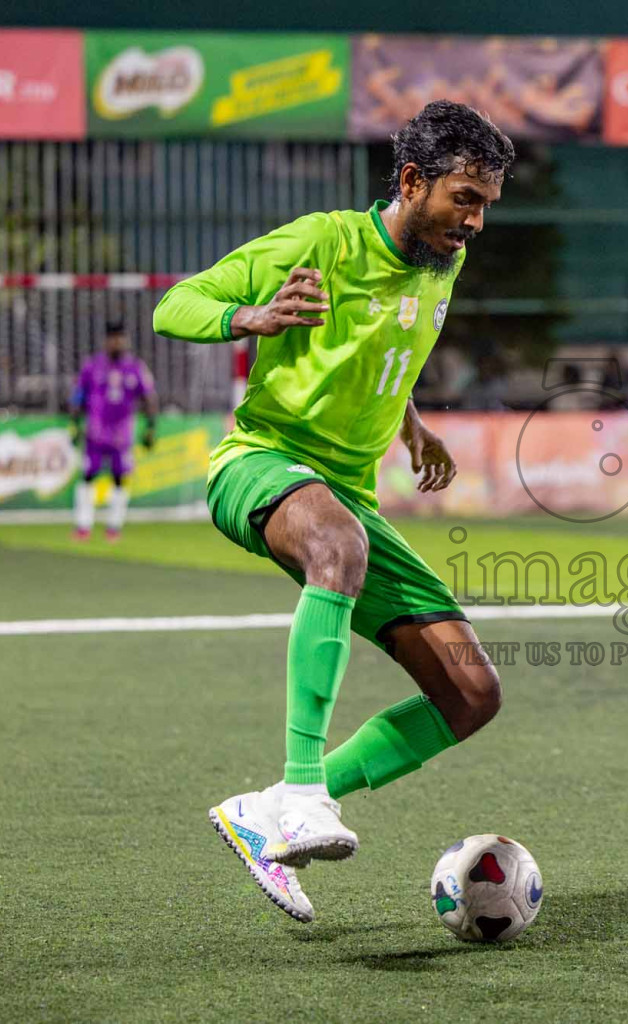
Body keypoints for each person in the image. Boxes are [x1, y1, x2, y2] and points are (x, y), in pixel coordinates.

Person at [151, 101, 514, 924]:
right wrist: (250, 317)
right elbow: (175, 304)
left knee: (471, 694)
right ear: (413, 182)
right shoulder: (321, 241)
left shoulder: (439, 260)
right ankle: (308, 792)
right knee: (339, 549)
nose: (476, 221)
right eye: (464, 197)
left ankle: (269, 806)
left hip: (348, 497)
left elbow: (384, 344)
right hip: (258, 463)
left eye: (487, 203)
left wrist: (413, 424)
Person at [70, 321, 157, 541]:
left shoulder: (135, 367)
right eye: (113, 338)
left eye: (121, 337)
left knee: (120, 478)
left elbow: (149, 398)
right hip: (95, 433)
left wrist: (150, 427)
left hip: (122, 435)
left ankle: (114, 527)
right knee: (88, 476)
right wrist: (74, 424)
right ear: (106, 341)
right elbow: (78, 396)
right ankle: (83, 525)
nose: (117, 342)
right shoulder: (92, 366)